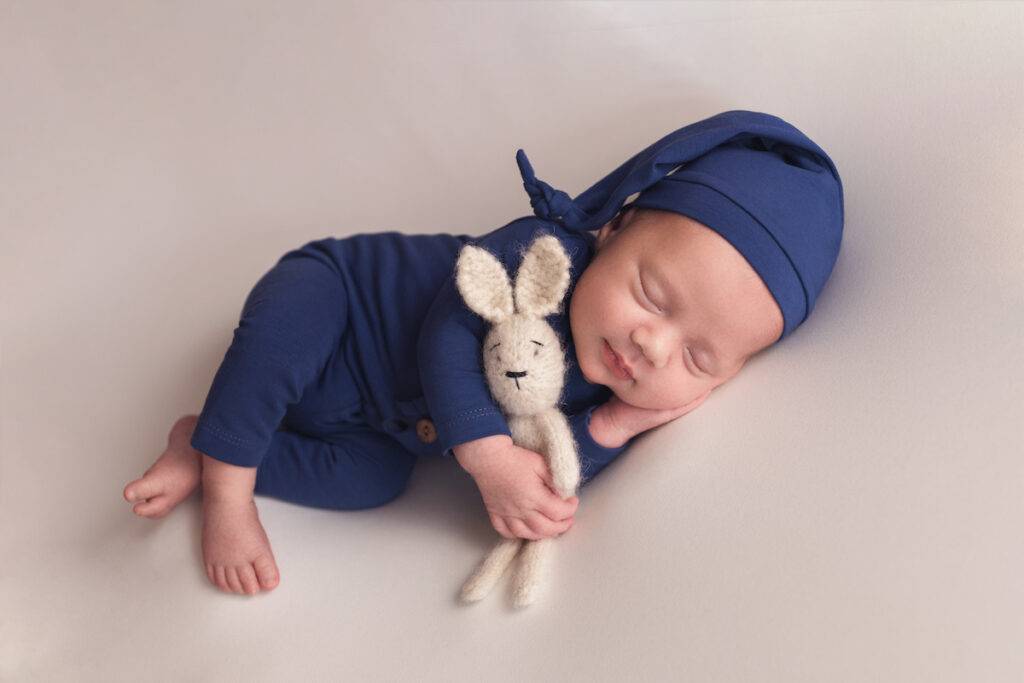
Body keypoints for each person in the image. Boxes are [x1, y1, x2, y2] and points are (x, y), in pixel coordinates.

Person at [122, 110, 845, 596]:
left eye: (699, 358)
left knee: (373, 482)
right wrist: (488, 456)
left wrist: (621, 426)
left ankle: (206, 444)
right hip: (341, 306)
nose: (651, 345)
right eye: (653, 295)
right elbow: (448, 335)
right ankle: (228, 486)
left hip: (380, 423)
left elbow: (556, 470)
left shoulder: (614, 385)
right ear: (614, 231)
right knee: (283, 341)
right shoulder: (546, 253)